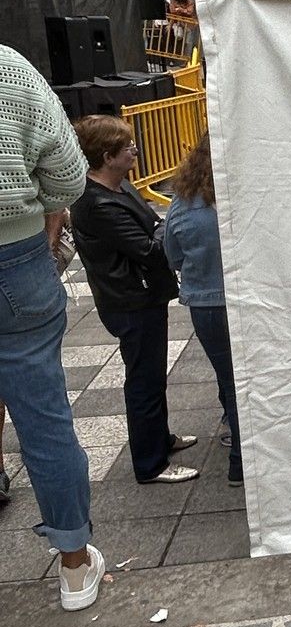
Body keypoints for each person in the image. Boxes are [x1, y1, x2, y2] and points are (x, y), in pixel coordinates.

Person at [0, 43, 109, 608]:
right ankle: (72, 566)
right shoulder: (8, 69)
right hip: (14, 259)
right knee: (43, 419)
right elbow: (69, 173)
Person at [70, 116, 199, 486]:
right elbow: (148, 248)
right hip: (130, 303)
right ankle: (150, 463)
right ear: (107, 156)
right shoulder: (97, 203)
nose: (135, 150)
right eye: (127, 146)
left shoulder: (118, 187)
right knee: (143, 381)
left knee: (152, 376)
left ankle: (159, 439)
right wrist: (165, 227)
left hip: (141, 296)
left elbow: (151, 228)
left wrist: (159, 227)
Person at [163, 134, 241, 484]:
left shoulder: (182, 204)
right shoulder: (243, 197)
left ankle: (236, 447)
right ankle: (245, 454)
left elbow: (173, 256)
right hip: (246, 299)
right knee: (249, 377)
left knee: (227, 375)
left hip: (206, 304)